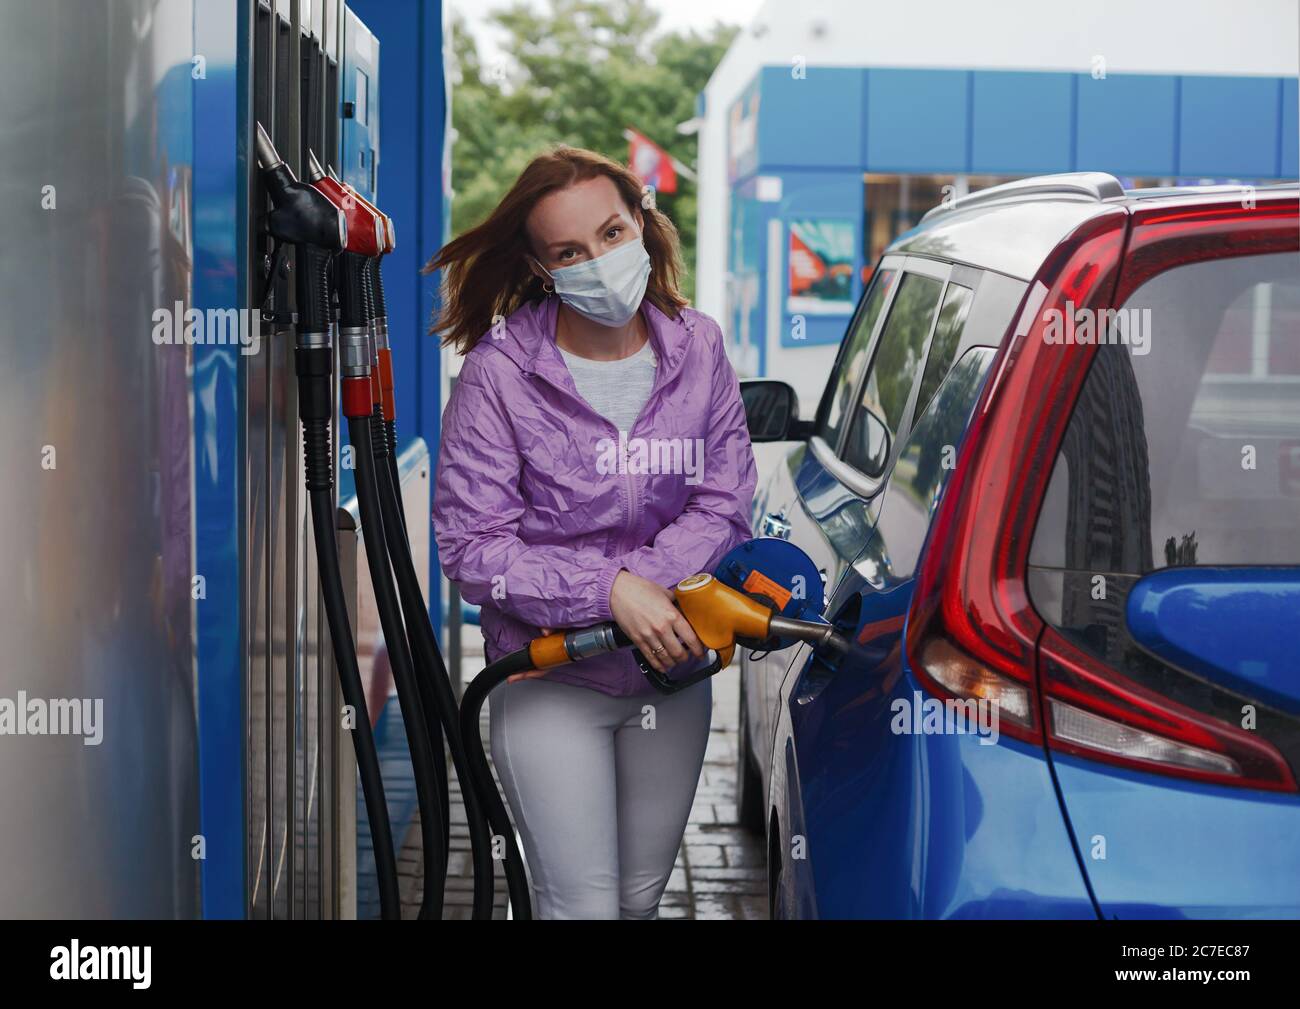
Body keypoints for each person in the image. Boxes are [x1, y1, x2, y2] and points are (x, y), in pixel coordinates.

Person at [427, 144, 757, 919]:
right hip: (550, 682)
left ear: (642, 220)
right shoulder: (500, 373)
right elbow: (472, 548)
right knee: (581, 909)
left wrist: (645, 591)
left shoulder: (698, 346)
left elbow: (726, 500)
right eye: (569, 251)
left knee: (638, 902)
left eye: (611, 233)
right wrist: (610, 590)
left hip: (671, 678)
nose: (599, 262)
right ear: (543, 268)